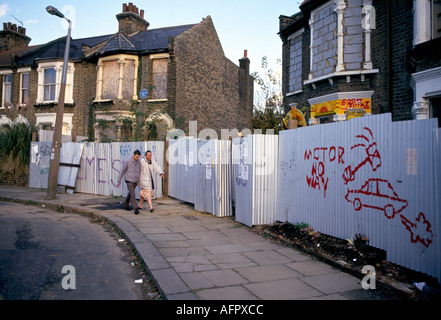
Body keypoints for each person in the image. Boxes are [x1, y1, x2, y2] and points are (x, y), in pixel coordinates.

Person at [116, 150, 141, 215]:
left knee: (130, 193)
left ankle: (126, 205)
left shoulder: (139, 162)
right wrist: (118, 181)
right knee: (133, 194)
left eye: (138, 157)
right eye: (136, 157)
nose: (137, 158)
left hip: (135, 180)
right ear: (133, 155)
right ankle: (135, 208)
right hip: (129, 180)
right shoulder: (127, 161)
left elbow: (139, 171)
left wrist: (138, 181)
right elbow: (122, 171)